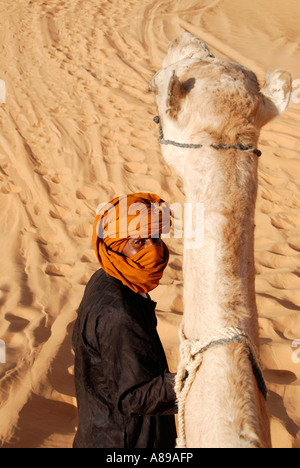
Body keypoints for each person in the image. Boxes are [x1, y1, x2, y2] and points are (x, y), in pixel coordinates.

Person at [72, 193, 177, 448]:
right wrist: (194, 378)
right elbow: (134, 397)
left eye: (155, 239)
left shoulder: (106, 278)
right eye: (138, 242)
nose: (153, 251)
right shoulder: (118, 312)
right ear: (116, 247)